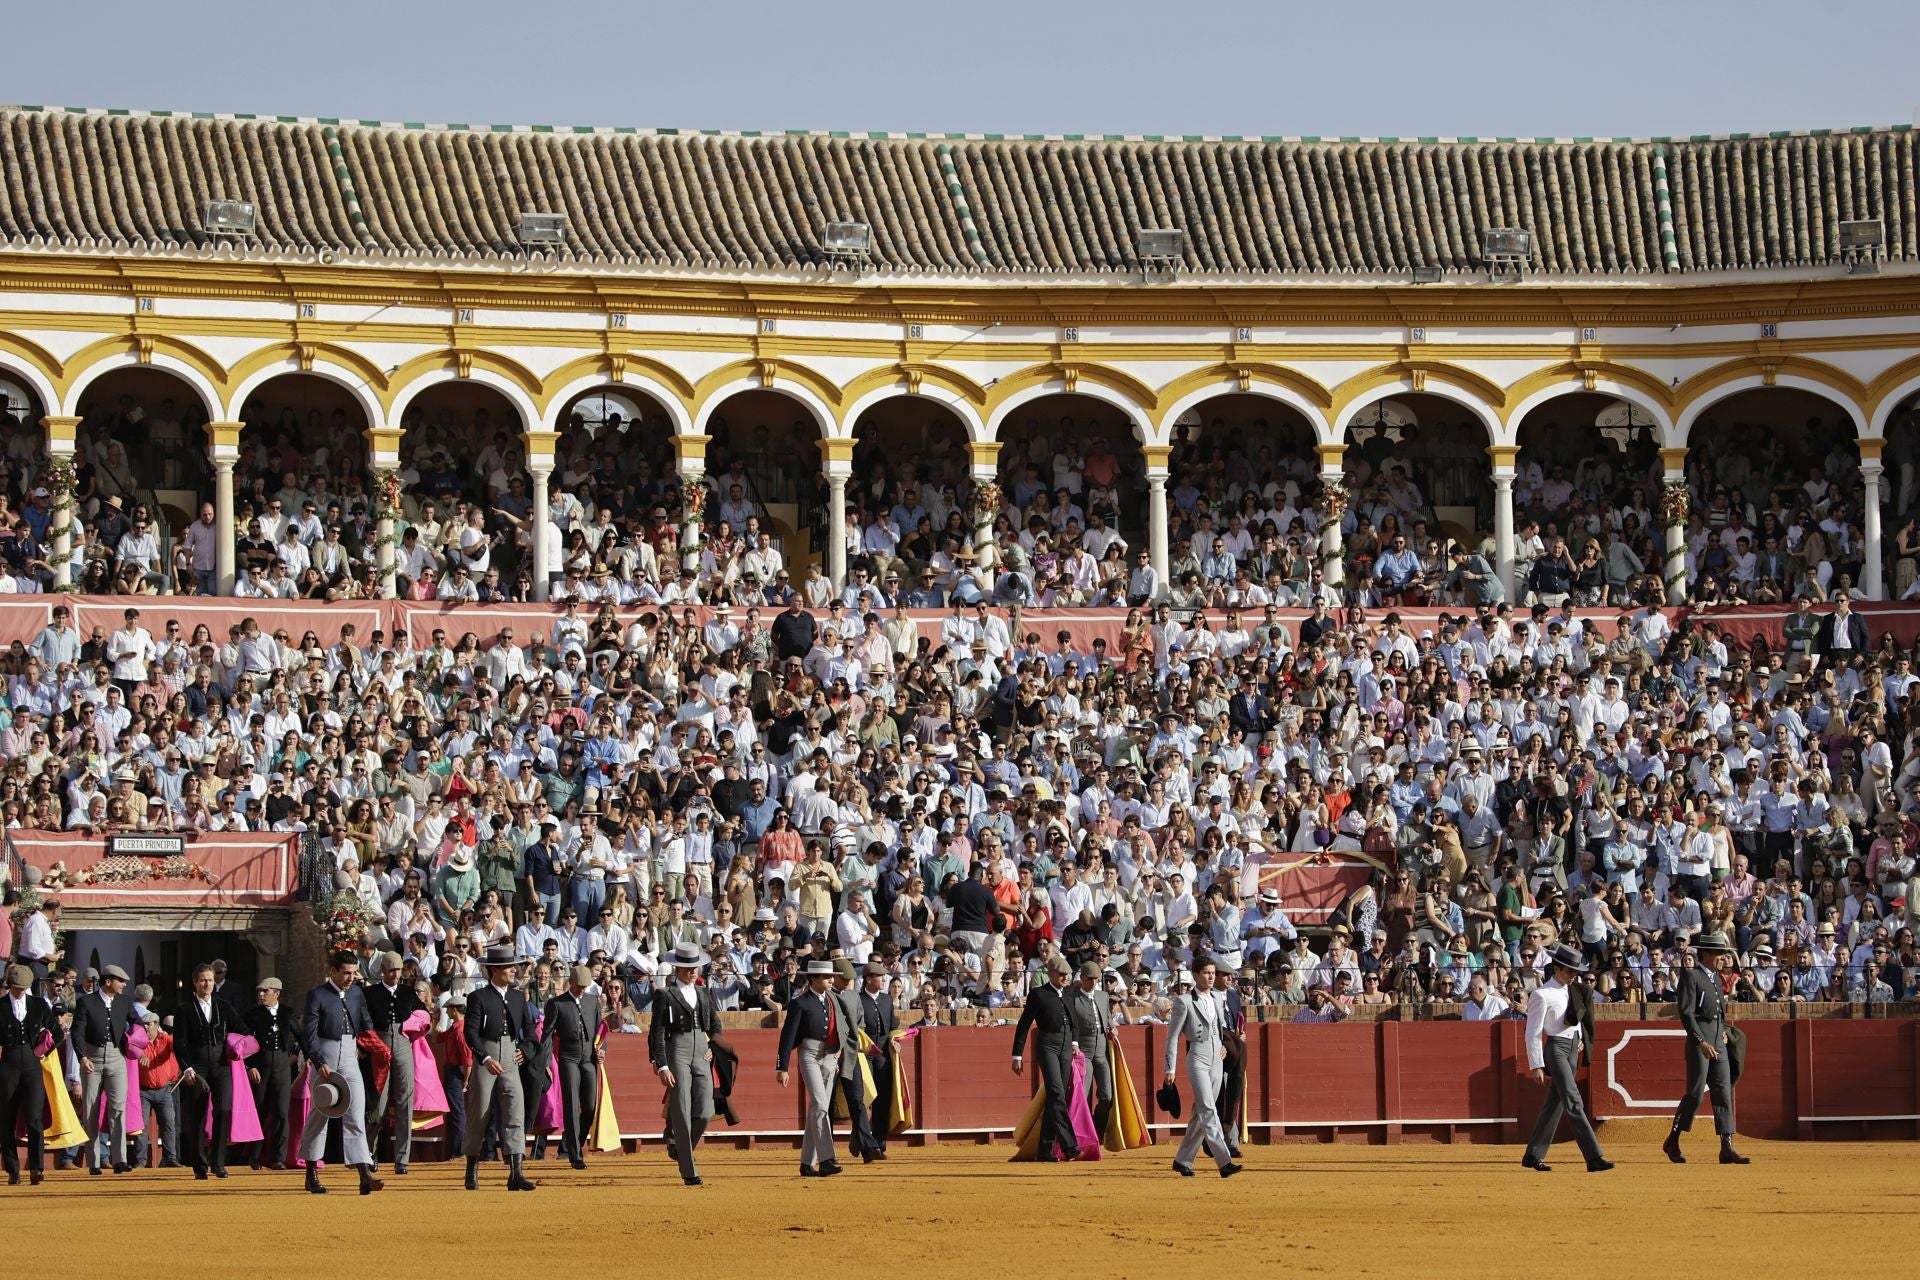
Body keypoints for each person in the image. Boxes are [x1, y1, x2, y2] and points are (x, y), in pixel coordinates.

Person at [298, 952, 384, 1195]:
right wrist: (317, 1060)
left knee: (356, 1114)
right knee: (320, 1114)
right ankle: (311, 1173)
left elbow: (365, 1022)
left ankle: (364, 1175)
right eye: (346, 972)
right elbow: (310, 1033)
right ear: (333, 971)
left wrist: (368, 1046)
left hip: (349, 1054)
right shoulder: (317, 994)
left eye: (354, 972)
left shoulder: (357, 993)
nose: (350, 977)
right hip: (325, 1055)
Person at [1520, 944, 1610, 1174]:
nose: (1574, 975)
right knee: (1573, 1100)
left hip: (1571, 1050)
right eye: (1569, 971)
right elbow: (1533, 1031)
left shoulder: (1572, 990)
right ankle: (1593, 1157)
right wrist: (1536, 1064)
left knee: (1554, 1105)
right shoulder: (1542, 994)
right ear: (1557, 969)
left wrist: (1578, 1036)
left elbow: (1575, 1016)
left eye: (1575, 971)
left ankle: (1533, 1155)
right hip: (1557, 1050)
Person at [1664, 931, 1750, 1165]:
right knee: (1694, 1093)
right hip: (1699, 1041)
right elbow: (1687, 1013)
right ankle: (1673, 1139)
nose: (1723, 957)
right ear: (1706, 954)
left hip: (1717, 1039)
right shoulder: (1691, 976)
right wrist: (1700, 1041)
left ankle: (1727, 1147)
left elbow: (1719, 1013)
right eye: (1718, 953)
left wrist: (1722, 1031)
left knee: (1723, 1092)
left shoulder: (1715, 978)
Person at [463, 944, 538, 1192]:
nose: (514, 970)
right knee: (480, 1114)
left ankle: (516, 1172)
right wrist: (484, 1058)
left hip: (510, 1059)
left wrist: (525, 1051)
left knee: (515, 1112)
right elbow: (470, 1034)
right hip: (487, 1057)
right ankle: (472, 1167)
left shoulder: (518, 996)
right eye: (508, 966)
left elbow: (529, 1031)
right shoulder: (478, 997)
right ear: (494, 970)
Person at [649, 941, 721, 1186]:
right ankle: (689, 1170)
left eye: (695, 967)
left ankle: (677, 1143)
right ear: (677, 969)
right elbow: (656, 1033)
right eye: (687, 967)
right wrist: (662, 1065)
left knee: (704, 1112)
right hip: (677, 1050)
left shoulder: (703, 993)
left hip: (701, 1051)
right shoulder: (665, 995)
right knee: (681, 1109)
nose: (693, 971)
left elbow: (715, 1025)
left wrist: (712, 1046)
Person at [1162, 959, 1241, 1178]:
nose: (1211, 977)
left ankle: (1182, 1161)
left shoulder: (1217, 997)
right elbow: (1173, 1036)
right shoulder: (1183, 1001)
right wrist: (1170, 1067)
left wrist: (1223, 1046)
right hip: (1197, 1057)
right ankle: (1224, 1162)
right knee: (1208, 1109)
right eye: (1206, 973)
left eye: (1213, 973)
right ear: (1196, 974)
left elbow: (1218, 1027)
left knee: (1200, 1113)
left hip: (1216, 1058)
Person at [775, 958, 843, 1177]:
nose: (831, 980)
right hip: (810, 1055)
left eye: (831, 976)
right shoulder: (800, 1003)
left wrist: (838, 1053)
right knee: (821, 1106)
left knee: (816, 1109)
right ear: (813, 979)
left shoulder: (833, 1000)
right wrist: (782, 1066)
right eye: (826, 977)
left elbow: (840, 1028)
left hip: (829, 1056)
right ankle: (826, 1160)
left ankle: (806, 1163)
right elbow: (787, 1037)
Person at [1011, 955, 1079, 1162]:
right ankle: (1069, 1146)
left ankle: (1045, 1150)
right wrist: (1017, 1054)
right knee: (1057, 1093)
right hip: (1048, 1045)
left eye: (1067, 974)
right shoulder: (1038, 994)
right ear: (1050, 974)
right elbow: (1024, 1024)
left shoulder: (1068, 995)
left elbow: (1074, 1022)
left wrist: (1075, 1043)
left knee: (1056, 1097)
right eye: (1061, 974)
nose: (1066, 977)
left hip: (1066, 1047)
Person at [364, 952, 424, 1174]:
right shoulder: (370, 993)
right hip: (379, 1045)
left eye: (398, 971)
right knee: (377, 1105)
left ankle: (402, 1159)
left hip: (402, 1043)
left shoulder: (408, 993)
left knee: (405, 1102)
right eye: (391, 971)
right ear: (382, 970)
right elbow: (364, 1021)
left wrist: (415, 1027)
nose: (395, 975)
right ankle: (370, 1153)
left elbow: (423, 1014)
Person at [72, 962, 133, 1175]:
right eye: (121, 981)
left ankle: (119, 1159)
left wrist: (140, 1037)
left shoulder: (124, 1002)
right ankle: (94, 1161)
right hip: (92, 1058)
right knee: (91, 1110)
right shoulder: (86, 1003)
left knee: (118, 1108)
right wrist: (82, 1057)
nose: (124, 985)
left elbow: (136, 1023)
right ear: (108, 982)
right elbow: (77, 1032)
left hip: (116, 1057)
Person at [174, 962, 232, 1180]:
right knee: (197, 1115)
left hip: (221, 1065)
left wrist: (241, 1048)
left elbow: (241, 1030)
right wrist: (186, 1068)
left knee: (223, 1110)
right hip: (196, 1067)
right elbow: (179, 1043)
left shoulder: (224, 1006)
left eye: (210, 979)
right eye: (203, 980)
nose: (207, 984)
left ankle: (218, 1163)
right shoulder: (184, 1009)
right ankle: (199, 1165)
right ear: (195, 983)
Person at [0, 963, 57, 1185]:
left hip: (33, 1066)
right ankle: (13, 1170)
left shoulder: (39, 1004)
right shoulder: (1, 1006)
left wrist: (44, 1051)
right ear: (10, 985)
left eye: (23, 987)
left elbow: (57, 1031)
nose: (20, 991)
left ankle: (36, 1168)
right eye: (16, 987)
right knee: (7, 1118)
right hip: (8, 1066)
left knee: (34, 1118)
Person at [544, 964, 604, 1171]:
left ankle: (575, 1142)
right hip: (568, 1058)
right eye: (579, 986)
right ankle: (576, 1155)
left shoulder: (592, 1001)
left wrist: (602, 1049)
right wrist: (546, 1063)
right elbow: (547, 1036)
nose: (582, 990)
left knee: (589, 1106)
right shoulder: (556, 1004)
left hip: (588, 1059)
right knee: (571, 1105)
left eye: (585, 986)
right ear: (570, 982)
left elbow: (600, 1031)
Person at [243, 977, 298, 1171]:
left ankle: (278, 1158)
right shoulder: (252, 1015)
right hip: (261, 1066)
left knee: (281, 1113)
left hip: (282, 1067)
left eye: (265, 991)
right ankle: (255, 1156)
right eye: (259, 991)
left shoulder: (287, 1013)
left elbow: (301, 1037)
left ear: (277, 993)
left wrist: (310, 1058)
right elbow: (244, 1043)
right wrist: (250, 1066)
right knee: (259, 1111)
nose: (261, 994)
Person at [829, 958, 878, 1161]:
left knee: (858, 1101)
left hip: (850, 1054)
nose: (850, 983)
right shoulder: (825, 996)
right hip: (829, 1055)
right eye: (846, 979)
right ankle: (826, 1151)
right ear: (836, 978)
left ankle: (868, 1147)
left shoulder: (853, 996)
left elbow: (861, 1023)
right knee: (826, 1105)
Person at [1063, 959, 1115, 1142]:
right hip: (1083, 1052)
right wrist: (1074, 1044)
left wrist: (1112, 1027)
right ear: (1083, 978)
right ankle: (1080, 1134)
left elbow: (1108, 1019)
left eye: (1096, 979)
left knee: (1107, 1096)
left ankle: (1096, 1130)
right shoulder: (1072, 998)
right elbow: (1069, 1026)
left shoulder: (1103, 996)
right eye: (1090, 978)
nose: (1094, 982)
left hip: (1101, 1052)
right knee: (1083, 1096)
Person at [856, 961, 896, 1161]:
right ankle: (864, 1143)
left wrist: (896, 1041)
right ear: (869, 979)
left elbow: (892, 1028)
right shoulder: (858, 999)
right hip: (863, 1056)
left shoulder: (887, 1000)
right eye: (880, 976)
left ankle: (879, 1144)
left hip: (882, 1057)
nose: (883, 979)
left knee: (882, 1099)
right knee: (863, 1099)